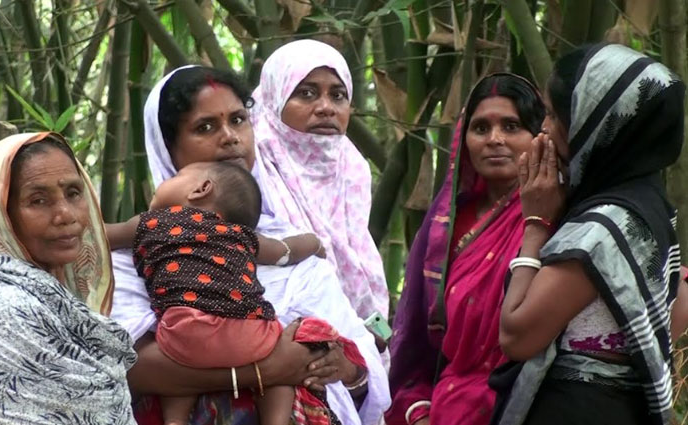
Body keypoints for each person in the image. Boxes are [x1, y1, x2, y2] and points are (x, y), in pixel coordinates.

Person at [110, 65, 390, 425]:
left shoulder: (291, 250)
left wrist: (347, 367)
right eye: (205, 127)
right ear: (167, 147)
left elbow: (360, 366)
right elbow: (128, 364)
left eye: (239, 120)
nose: (230, 137)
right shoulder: (135, 253)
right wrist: (268, 370)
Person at [496, 44, 686, 425]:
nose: (545, 129)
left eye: (552, 114)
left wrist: (536, 222)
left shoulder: (602, 229)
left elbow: (517, 336)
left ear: (593, 124)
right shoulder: (653, 211)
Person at [386, 73, 546, 425]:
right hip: (446, 405)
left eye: (511, 126)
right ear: (464, 139)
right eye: (481, 128)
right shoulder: (444, 224)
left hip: (527, 401)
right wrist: (418, 410)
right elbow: (415, 338)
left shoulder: (553, 217)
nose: (495, 140)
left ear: (538, 137)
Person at [0, 132, 137, 424]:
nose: (65, 215)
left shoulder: (50, 297)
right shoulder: (7, 315)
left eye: (73, 193)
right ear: (0, 216)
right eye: (38, 200)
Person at [251, 39, 389, 320]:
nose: (326, 107)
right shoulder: (252, 167)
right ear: (274, 98)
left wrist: (374, 334)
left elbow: (364, 275)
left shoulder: (353, 169)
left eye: (338, 96)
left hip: (360, 337)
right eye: (306, 93)